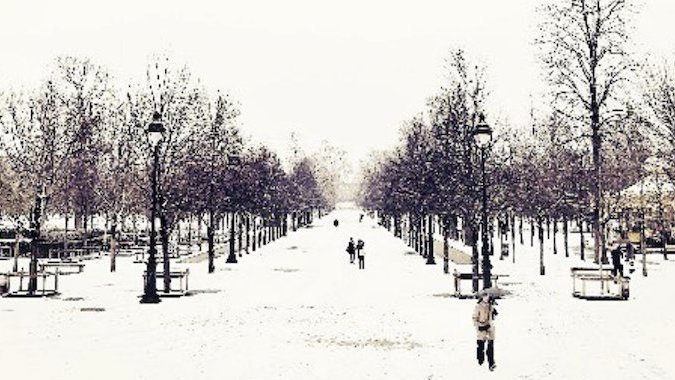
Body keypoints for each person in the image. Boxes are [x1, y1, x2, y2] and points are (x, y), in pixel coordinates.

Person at [472, 294, 497, 371]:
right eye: (485, 296)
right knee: (481, 345)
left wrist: (494, 313)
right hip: (481, 327)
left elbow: (493, 316)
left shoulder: (490, 305)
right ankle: (480, 359)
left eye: (488, 296)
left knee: (490, 345)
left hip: (490, 328)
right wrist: (478, 326)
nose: (487, 298)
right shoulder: (478, 306)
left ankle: (491, 362)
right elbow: (474, 318)